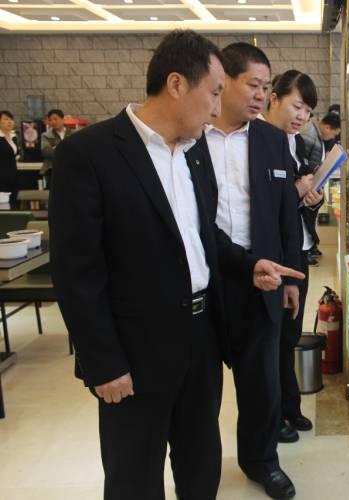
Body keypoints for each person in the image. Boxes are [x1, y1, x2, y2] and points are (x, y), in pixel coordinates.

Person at [49, 30, 302, 500]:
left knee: (200, 463)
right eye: (214, 92)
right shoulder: (90, 154)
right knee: (135, 475)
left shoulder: (191, 156)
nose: (217, 106)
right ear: (176, 84)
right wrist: (104, 363)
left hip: (200, 337)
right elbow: (77, 273)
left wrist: (248, 266)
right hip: (136, 349)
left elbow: (204, 237)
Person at [199, 43, 302, 500]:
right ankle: (198, 468)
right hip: (205, 277)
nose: (262, 95)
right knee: (201, 385)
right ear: (224, 81)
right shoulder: (191, 137)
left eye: (266, 87)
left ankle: (262, 461)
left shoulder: (270, 140)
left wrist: (292, 278)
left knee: (262, 381)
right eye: (253, 85)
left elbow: (285, 216)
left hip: (263, 276)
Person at [263, 69, 325, 443]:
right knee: (271, 343)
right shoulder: (259, 142)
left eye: (308, 111)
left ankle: (290, 406)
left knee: (289, 336)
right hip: (272, 256)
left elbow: (296, 204)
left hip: (297, 250)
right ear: (274, 98)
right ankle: (274, 416)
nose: (302, 116)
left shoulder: (297, 144)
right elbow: (262, 205)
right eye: (297, 106)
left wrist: (311, 197)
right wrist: (296, 190)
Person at [41, 108, 71, 189]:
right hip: (52, 170)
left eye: (55, 119)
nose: (53, 122)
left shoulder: (72, 134)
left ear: (62, 119)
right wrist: (66, 150)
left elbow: (76, 151)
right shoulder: (46, 135)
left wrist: (56, 147)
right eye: (50, 120)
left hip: (70, 169)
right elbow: (46, 152)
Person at [0, 110, 19, 198]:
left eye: (11, 119)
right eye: (6, 119)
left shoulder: (13, 136)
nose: (10, 121)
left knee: (13, 201)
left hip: (13, 176)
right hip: (2, 177)